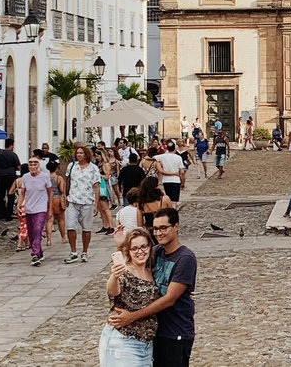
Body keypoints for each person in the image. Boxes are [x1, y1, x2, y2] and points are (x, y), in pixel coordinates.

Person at [110, 207, 196, 367]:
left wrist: (132, 316)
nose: (158, 233)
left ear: (176, 226)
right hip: (155, 334)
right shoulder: (156, 252)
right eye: (155, 229)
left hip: (176, 332)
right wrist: (121, 247)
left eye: (163, 228)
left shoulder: (185, 258)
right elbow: (132, 269)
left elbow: (169, 299)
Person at [100, 226, 160, 367]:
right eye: (134, 248)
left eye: (144, 246)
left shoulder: (151, 271)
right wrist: (114, 277)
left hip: (146, 345)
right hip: (122, 342)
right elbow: (112, 291)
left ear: (150, 246)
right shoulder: (125, 272)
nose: (140, 251)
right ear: (129, 251)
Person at [13, 157, 55, 265]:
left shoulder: (45, 177)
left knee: (37, 229)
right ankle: (39, 252)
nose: (32, 165)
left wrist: (50, 208)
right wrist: (19, 205)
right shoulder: (25, 177)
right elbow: (23, 192)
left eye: (35, 163)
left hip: (41, 208)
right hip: (29, 208)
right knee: (31, 233)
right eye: (30, 163)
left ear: (38, 165)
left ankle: (35, 254)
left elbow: (50, 192)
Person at [65, 144, 102, 263]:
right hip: (73, 199)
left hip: (87, 201)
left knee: (86, 228)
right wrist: (64, 195)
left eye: (81, 153)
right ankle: (73, 251)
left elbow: (96, 187)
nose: (79, 155)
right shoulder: (72, 166)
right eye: (77, 153)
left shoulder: (93, 168)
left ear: (86, 154)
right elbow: (67, 181)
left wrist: (96, 204)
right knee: (70, 226)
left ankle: (85, 251)